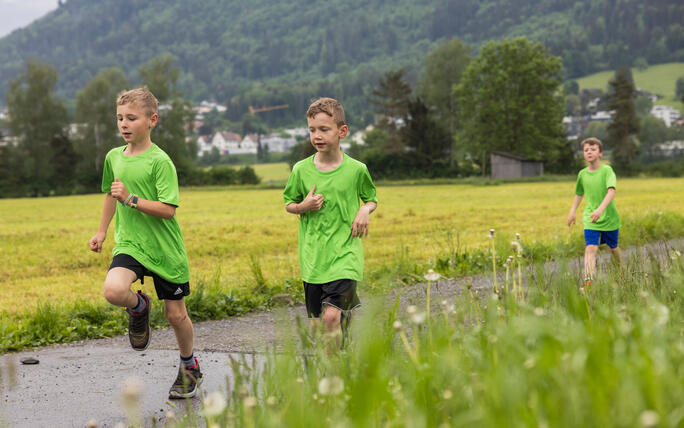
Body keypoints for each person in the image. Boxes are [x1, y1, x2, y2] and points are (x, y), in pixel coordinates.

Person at [88, 87, 203, 398]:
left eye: (132, 118)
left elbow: (168, 210)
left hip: (164, 249)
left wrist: (132, 199)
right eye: (119, 118)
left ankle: (189, 366)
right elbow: (112, 196)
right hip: (130, 244)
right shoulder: (114, 157)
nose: (124, 124)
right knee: (113, 290)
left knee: (176, 315)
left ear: (152, 120)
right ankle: (139, 308)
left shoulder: (160, 161)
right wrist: (101, 231)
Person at [283, 97, 378, 349]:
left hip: (345, 254)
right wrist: (303, 207)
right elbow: (289, 204)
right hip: (314, 258)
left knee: (330, 318)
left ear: (341, 131)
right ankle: (340, 347)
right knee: (318, 328)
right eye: (312, 130)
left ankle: (333, 378)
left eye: (324, 129)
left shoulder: (357, 170)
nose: (317, 136)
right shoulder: (300, 170)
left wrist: (364, 210)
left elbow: (371, 199)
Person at [567, 137, 622, 288]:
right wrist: (572, 212)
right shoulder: (582, 174)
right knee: (591, 248)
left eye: (593, 149)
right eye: (586, 150)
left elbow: (611, 191)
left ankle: (619, 271)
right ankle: (588, 282)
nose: (589, 152)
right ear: (583, 154)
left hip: (608, 217)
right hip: (591, 217)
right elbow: (579, 193)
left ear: (600, 153)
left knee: (613, 247)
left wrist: (600, 209)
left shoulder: (607, 170)